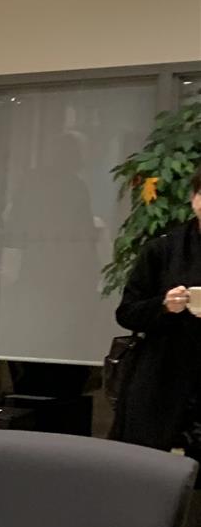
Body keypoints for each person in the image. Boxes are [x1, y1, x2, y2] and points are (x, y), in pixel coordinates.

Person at [111, 179, 201, 459]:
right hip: (165, 373)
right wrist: (164, 305)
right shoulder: (163, 249)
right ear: (193, 199)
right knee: (149, 461)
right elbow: (127, 312)